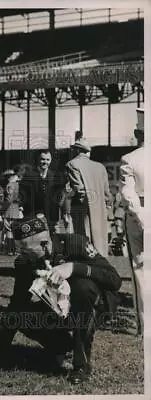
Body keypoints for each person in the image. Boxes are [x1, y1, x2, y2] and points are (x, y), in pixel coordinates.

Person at [0, 215, 122, 384]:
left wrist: (74, 268)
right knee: (22, 316)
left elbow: (114, 280)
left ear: (45, 244)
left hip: (93, 305)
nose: (23, 256)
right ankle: (62, 345)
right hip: (57, 308)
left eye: (27, 251)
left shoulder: (75, 243)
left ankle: (81, 364)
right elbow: (17, 304)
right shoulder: (23, 263)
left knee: (83, 287)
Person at [119, 107, 144, 335]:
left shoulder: (129, 159)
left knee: (140, 269)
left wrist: (141, 216)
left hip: (139, 216)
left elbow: (128, 194)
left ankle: (145, 326)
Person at [65, 138, 111, 257]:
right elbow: (107, 193)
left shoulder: (72, 164)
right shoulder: (100, 167)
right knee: (99, 239)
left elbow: (79, 189)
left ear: (76, 150)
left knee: (83, 239)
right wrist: (106, 208)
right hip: (100, 208)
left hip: (82, 207)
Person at [19, 150, 58, 233]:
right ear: (38, 160)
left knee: (50, 239)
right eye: (42, 159)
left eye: (48, 160)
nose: (45, 162)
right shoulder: (29, 175)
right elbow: (22, 193)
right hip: (32, 212)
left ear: (51, 161)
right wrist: (21, 207)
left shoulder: (53, 176)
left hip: (50, 215)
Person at [1, 169, 21, 255]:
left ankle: (10, 250)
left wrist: (2, 210)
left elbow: (9, 200)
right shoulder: (18, 185)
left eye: (7, 177)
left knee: (9, 230)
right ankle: (16, 250)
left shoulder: (9, 185)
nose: (6, 178)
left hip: (9, 210)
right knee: (15, 231)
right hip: (16, 209)